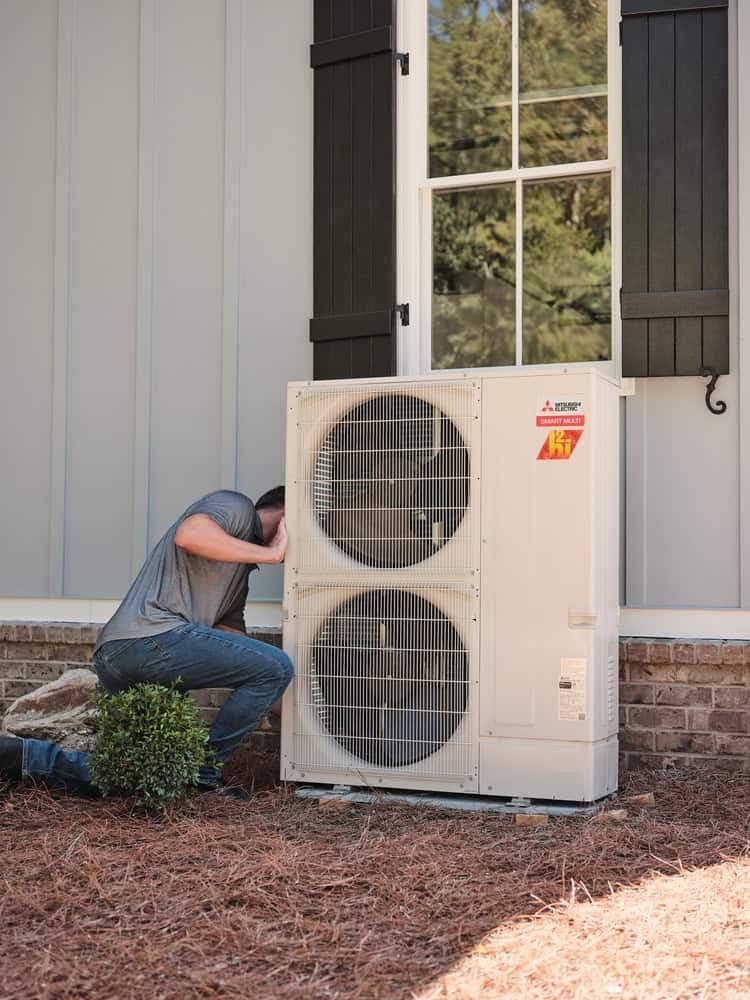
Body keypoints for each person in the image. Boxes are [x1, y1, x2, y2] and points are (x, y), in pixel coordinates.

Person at [0, 488, 293, 798]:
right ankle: (203, 777)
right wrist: (273, 554)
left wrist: (290, 707)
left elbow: (240, 651)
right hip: (151, 638)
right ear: (287, 514)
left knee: (140, 772)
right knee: (276, 665)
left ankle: (19, 756)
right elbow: (190, 534)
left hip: (119, 652)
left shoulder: (238, 581)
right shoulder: (236, 507)